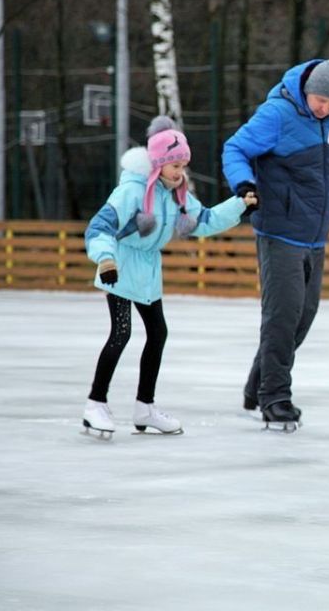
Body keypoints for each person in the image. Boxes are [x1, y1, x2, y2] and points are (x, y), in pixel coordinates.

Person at [82, 116, 258, 438]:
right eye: (174, 165)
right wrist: (106, 258)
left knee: (158, 333)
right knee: (121, 334)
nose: (180, 172)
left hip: (148, 272)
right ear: (158, 164)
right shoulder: (131, 191)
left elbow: (203, 220)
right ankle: (96, 403)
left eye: (183, 165)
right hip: (119, 268)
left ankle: (144, 407)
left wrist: (238, 205)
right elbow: (98, 228)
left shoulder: (176, 195)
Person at [221, 58, 329, 432]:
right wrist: (245, 186)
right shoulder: (277, 114)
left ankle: (256, 386)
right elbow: (234, 149)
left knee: (304, 315)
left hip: (315, 233)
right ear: (306, 89)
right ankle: (275, 397)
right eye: (320, 101)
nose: (325, 109)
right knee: (282, 315)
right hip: (279, 229)